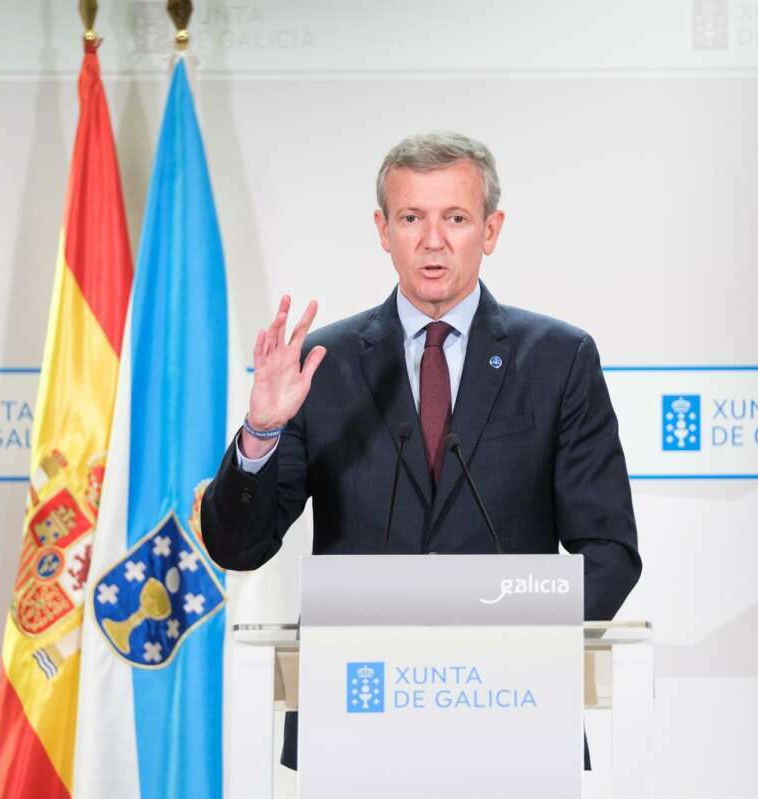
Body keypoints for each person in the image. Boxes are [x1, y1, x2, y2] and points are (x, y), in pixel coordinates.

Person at [200, 131, 642, 769]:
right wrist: (262, 430)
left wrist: (516, 656)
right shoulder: (324, 364)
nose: (433, 240)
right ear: (383, 230)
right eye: (412, 218)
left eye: (455, 218)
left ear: (490, 229)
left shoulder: (559, 360)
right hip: (355, 715)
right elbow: (238, 547)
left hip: (512, 716)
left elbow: (611, 552)